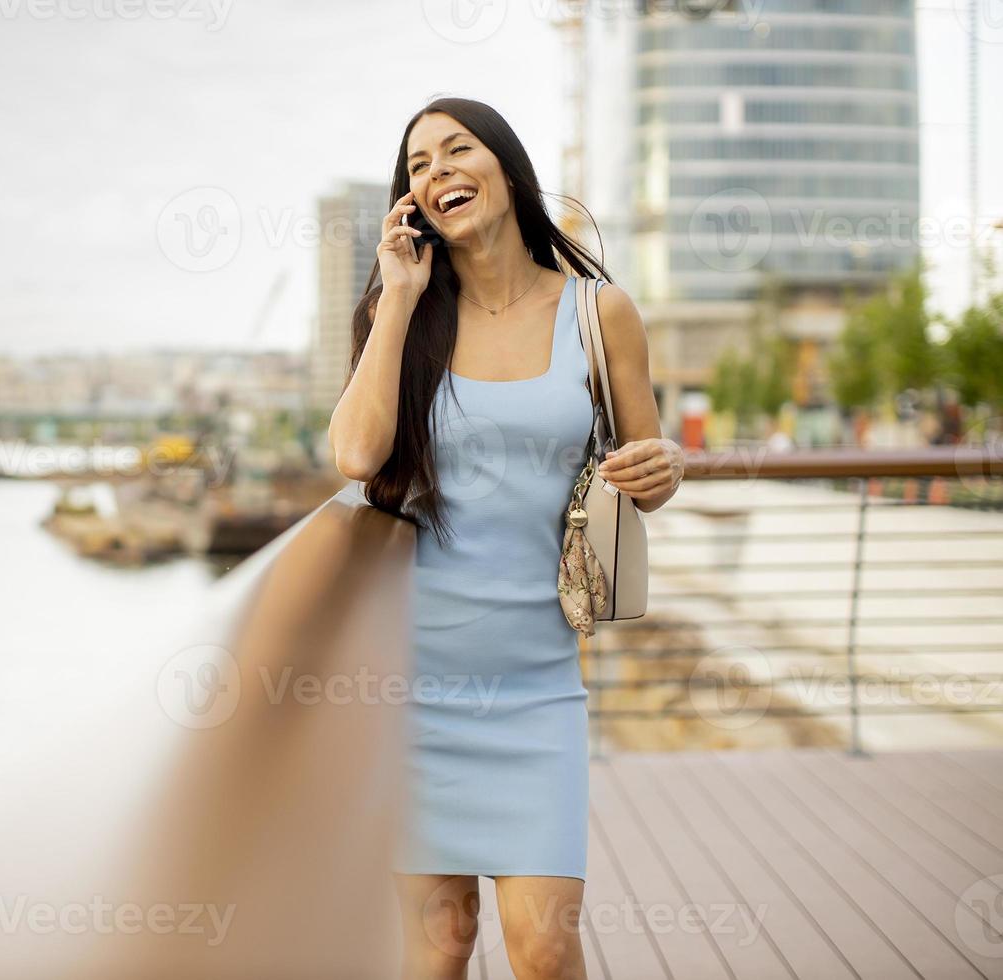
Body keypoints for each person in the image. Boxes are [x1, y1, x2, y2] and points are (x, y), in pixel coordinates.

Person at [327, 97, 683, 980]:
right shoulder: (401, 318)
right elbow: (355, 455)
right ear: (409, 202)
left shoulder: (602, 314)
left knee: (546, 948)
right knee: (441, 946)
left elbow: (643, 473)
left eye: (458, 150)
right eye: (418, 165)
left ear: (507, 167)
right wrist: (400, 295)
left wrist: (664, 471)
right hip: (415, 685)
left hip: (537, 687)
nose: (439, 170)